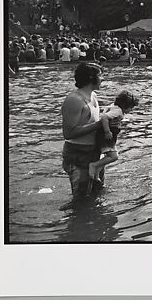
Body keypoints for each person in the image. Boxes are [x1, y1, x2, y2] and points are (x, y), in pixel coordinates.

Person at [61, 62, 105, 202]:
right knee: (81, 199)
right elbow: (68, 133)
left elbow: (92, 120)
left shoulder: (93, 96)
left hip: (94, 152)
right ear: (91, 78)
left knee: (97, 193)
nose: (102, 79)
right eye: (100, 76)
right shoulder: (74, 100)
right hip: (78, 154)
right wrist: (99, 125)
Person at [88, 90, 139, 184]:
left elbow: (105, 112)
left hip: (108, 134)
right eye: (131, 108)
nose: (131, 110)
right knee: (114, 156)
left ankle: (96, 174)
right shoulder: (118, 111)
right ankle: (94, 166)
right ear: (125, 106)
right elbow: (104, 117)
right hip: (105, 135)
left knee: (107, 156)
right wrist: (107, 131)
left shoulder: (113, 106)